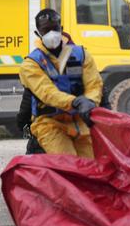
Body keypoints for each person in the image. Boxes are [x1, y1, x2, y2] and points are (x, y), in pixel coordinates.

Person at [18, 9, 102, 158]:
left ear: (61, 29)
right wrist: (76, 102)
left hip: (80, 121)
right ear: (38, 34)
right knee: (70, 165)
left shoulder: (81, 55)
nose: (51, 34)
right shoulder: (31, 64)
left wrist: (90, 102)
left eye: (54, 29)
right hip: (50, 123)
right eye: (46, 30)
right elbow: (47, 93)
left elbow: (94, 84)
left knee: (91, 168)